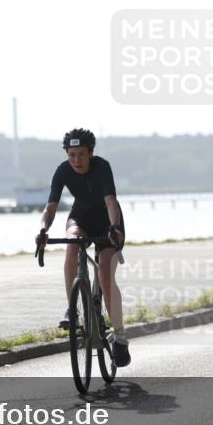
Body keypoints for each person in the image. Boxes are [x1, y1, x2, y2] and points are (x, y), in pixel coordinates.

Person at [35, 128, 129, 366]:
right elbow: (50, 208)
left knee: (105, 273)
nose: (76, 160)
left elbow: (111, 201)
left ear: (90, 153)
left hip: (108, 221)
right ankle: (72, 310)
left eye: (82, 155)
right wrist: (43, 230)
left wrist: (114, 227)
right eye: (72, 155)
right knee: (72, 246)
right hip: (81, 217)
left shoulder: (102, 167)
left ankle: (120, 337)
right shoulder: (63, 170)